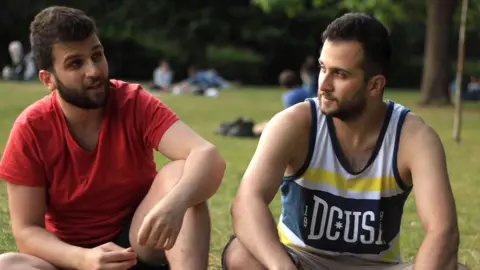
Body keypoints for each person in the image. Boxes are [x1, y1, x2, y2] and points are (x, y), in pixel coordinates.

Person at [222, 13, 468, 270]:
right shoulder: (294, 124)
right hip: (302, 262)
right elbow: (246, 202)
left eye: (340, 74)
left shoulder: (414, 137)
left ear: (374, 85)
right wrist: (282, 267)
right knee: (241, 254)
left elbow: (443, 231)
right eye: (322, 68)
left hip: (377, 267)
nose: (324, 85)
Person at [0, 6, 225, 270]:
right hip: (70, 256)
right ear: (48, 79)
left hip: (139, 244)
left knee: (182, 173)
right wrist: (83, 259)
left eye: (97, 55)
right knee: (8, 264)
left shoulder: (133, 101)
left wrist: (177, 203)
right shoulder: (31, 128)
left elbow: (206, 155)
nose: (94, 70)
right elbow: (27, 230)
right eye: (76, 63)